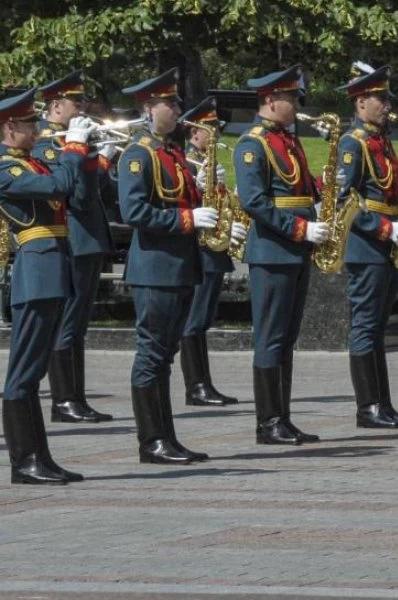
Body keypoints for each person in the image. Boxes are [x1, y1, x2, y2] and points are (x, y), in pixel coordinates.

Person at [118, 69, 220, 464]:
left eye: (177, 103)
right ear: (148, 108)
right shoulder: (138, 154)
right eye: (171, 103)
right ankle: (151, 440)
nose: (178, 109)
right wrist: (187, 220)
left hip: (178, 265)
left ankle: (166, 436)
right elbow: (134, 210)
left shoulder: (170, 152)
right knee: (151, 353)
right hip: (155, 268)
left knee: (164, 356)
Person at [0, 89, 96, 484]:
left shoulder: (33, 163)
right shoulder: (7, 168)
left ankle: (40, 456)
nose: (37, 130)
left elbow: (76, 192)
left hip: (54, 264)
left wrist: (84, 155)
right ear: (9, 128)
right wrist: (73, 145)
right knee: (23, 372)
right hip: (36, 269)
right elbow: (55, 189)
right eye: (29, 125)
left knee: (34, 369)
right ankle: (24, 462)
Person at [234, 64, 333, 445]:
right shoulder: (252, 144)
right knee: (270, 338)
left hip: (295, 250)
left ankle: (283, 417)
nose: (296, 104)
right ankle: (267, 422)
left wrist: (326, 187)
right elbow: (255, 201)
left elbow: (302, 190)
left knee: (286, 338)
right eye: (291, 98)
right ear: (271, 100)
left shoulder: (287, 141)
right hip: (273, 250)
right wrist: (299, 227)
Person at [335, 65, 398, 429]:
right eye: (380, 99)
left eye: (387, 98)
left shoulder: (379, 140)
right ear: (360, 102)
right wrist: (384, 227)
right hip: (367, 245)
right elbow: (345, 200)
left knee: (378, 326)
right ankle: (367, 406)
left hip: (386, 243)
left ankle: (383, 403)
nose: (387, 105)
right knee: (366, 327)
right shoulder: (353, 143)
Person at [35, 70, 114, 424]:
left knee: (77, 324)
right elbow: (77, 197)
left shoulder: (70, 141)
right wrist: (89, 157)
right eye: (76, 101)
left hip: (88, 239)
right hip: (72, 238)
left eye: (83, 100)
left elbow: (99, 193)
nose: (83, 106)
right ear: (55, 106)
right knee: (67, 324)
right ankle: (64, 400)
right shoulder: (47, 145)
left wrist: (102, 161)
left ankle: (76, 397)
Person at [180, 96, 243, 408]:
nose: (216, 134)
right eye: (211, 129)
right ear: (194, 133)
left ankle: (203, 383)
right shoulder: (188, 163)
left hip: (214, 248)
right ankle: (196, 386)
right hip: (198, 249)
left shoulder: (210, 162)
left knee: (203, 319)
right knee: (194, 319)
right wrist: (197, 180)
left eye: (218, 128)